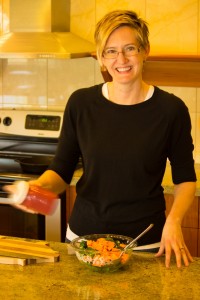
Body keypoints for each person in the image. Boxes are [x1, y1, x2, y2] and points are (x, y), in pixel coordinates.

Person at [5, 10, 196, 268]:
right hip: (82, 242)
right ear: (101, 58)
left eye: (130, 48)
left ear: (145, 50)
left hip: (144, 245)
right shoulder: (81, 104)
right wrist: (36, 189)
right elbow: (61, 171)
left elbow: (185, 178)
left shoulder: (170, 110)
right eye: (111, 51)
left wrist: (174, 221)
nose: (122, 59)